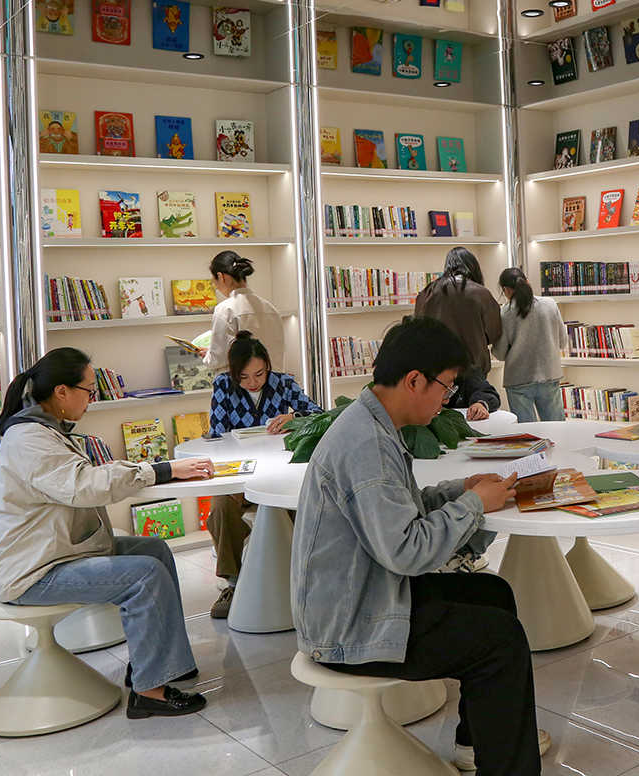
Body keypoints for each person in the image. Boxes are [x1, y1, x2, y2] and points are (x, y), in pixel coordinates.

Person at [292, 317, 550, 774]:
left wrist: (461, 489)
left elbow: (399, 511)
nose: (446, 400)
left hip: (366, 595)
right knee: (502, 641)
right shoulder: (367, 445)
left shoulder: (372, 425)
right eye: (445, 387)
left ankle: (477, 743)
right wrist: (473, 504)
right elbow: (407, 551)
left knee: (493, 593)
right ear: (414, 380)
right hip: (350, 628)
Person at [0, 347, 217, 718]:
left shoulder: (43, 431)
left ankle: (161, 662)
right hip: (32, 572)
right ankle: (149, 692)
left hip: (53, 552)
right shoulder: (30, 439)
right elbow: (84, 486)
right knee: (144, 575)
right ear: (61, 392)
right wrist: (163, 470)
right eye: (88, 391)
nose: (92, 399)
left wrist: (158, 472)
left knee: (153, 550)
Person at [205, 332, 321, 618]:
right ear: (234, 374)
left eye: (259, 374)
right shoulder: (223, 385)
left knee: (298, 505)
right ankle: (234, 583)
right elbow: (216, 433)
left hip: (278, 472)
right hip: (239, 473)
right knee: (220, 509)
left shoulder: (283, 383)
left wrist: (294, 417)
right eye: (244, 377)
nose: (253, 382)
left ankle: (302, 579)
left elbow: (318, 414)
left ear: (268, 366)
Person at [414, 247, 502, 380]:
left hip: (436, 371)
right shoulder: (481, 293)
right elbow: (494, 332)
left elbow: (418, 330)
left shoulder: (427, 292)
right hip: (473, 370)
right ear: (473, 267)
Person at [492, 267, 566, 422]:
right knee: (556, 427)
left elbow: (500, 353)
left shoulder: (505, 313)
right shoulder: (550, 304)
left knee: (526, 431)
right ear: (527, 282)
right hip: (549, 374)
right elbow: (563, 341)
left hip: (518, 379)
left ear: (506, 290)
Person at [202, 251, 285, 370]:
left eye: (214, 281)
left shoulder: (225, 309)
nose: (216, 287)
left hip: (239, 380)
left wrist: (207, 357)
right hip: (273, 379)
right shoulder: (270, 308)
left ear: (221, 277)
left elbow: (218, 359)